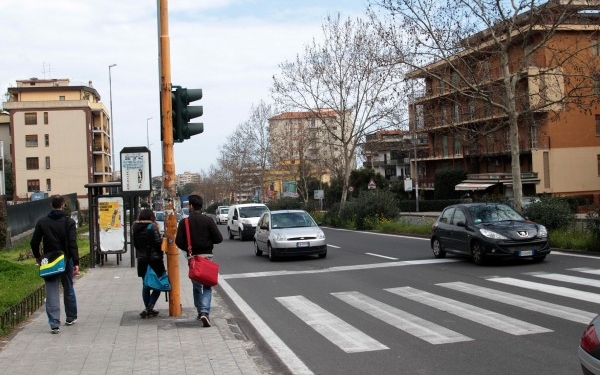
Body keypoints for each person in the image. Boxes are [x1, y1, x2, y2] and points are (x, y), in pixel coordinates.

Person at [31, 194, 79, 334]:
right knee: (68, 287)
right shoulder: (69, 222)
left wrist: (38, 257)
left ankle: (54, 324)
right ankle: (70, 317)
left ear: (51, 205)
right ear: (63, 205)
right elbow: (72, 243)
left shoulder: (42, 222)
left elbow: (34, 242)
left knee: (51, 290)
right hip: (66, 259)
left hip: (50, 259)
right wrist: (75, 261)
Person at [175, 194, 223, 327]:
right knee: (207, 285)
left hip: (193, 258)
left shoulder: (184, 222)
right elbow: (219, 238)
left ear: (191, 206)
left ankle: (199, 312)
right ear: (201, 206)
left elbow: (178, 242)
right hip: (207, 257)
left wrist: (188, 248)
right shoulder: (208, 221)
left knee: (196, 287)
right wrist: (207, 241)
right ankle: (205, 312)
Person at [132, 208, 166, 318]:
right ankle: (149, 308)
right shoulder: (152, 227)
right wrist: (163, 241)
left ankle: (148, 309)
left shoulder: (135, 228)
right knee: (158, 285)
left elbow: (136, 245)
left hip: (142, 260)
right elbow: (158, 243)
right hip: (154, 260)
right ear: (151, 217)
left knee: (146, 285)